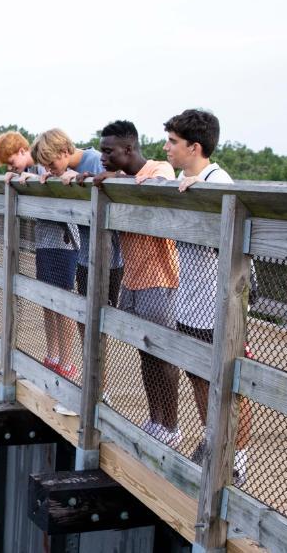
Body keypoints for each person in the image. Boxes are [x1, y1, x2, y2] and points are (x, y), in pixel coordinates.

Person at [165, 109, 253, 484]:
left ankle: (238, 457)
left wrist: (201, 194)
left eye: (173, 142)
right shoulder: (185, 178)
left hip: (219, 305)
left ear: (194, 147)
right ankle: (212, 440)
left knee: (231, 384)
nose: (166, 148)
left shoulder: (219, 180)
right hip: (191, 300)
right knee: (199, 377)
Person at [92, 120, 182, 447]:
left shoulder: (159, 168)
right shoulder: (121, 177)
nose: (102, 157)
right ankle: (155, 419)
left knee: (163, 355)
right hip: (133, 277)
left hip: (160, 278)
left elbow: (157, 184)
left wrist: (118, 178)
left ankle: (171, 427)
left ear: (128, 150)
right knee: (146, 352)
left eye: (108, 151)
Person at [0, 130, 80, 379]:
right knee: (47, 299)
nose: (13, 167)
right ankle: (52, 354)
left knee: (62, 302)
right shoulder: (36, 171)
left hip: (64, 243)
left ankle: (67, 360)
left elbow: (65, 181)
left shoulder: (50, 168)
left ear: (23, 151)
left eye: (13, 162)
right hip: (45, 242)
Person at [34, 129, 106, 378]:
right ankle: (72, 368)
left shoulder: (95, 160)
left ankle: (92, 382)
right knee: (69, 309)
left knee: (91, 320)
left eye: (51, 164)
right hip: (84, 252)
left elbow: (108, 193)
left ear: (65, 152)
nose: (49, 169)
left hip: (98, 253)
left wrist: (81, 182)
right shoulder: (58, 170)